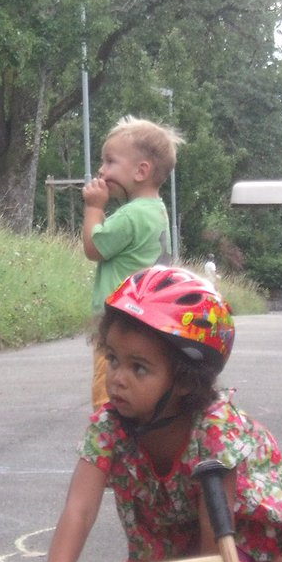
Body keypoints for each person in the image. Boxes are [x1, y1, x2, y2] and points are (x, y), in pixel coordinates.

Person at [46, 266, 282, 562]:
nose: (117, 378)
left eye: (138, 367)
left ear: (185, 380)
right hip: (173, 518)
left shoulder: (213, 434)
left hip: (234, 519)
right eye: (113, 359)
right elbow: (79, 510)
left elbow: (215, 554)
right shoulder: (108, 426)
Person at [81, 117, 180, 413]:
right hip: (146, 321)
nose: (102, 170)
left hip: (117, 323)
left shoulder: (131, 215)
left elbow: (93, 247)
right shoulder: (157, 211)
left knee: (108, 396)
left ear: (141, 171)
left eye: (110, 162)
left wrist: (94, 207)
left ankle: (108, 446)